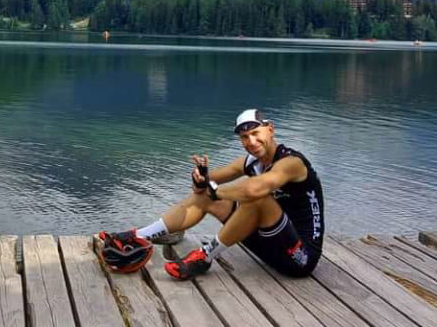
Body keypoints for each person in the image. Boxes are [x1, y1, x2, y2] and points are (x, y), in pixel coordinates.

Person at [99, 109, 325, 280]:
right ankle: (137, 236)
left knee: (257, 198)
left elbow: (254, 189)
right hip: (269, 248)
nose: (251, 142)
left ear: (271, 129)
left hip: (299, 259)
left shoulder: (291, 162)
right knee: (206, 198)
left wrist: (216, 191)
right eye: (244, 137)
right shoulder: (252, 162)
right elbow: (205, 186)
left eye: (256, 133)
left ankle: (204, 257)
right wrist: (201, 178)